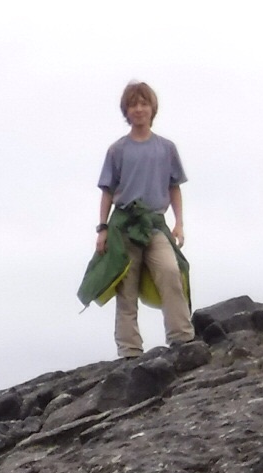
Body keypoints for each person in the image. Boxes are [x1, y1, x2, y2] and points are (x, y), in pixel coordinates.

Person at [90, 79, 191, 358]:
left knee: (170, 272)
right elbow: (107, 191)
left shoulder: (166, 148)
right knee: (127, 287)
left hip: (155, 224)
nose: (138, 109)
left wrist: (179, 223)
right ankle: (130, 350)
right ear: (126, 111)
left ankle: (182, 337)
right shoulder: (117, 150)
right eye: (133, 105)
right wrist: (102, 229)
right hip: (124, 225)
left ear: (152, 108)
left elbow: (174, 187)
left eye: (143, 104)